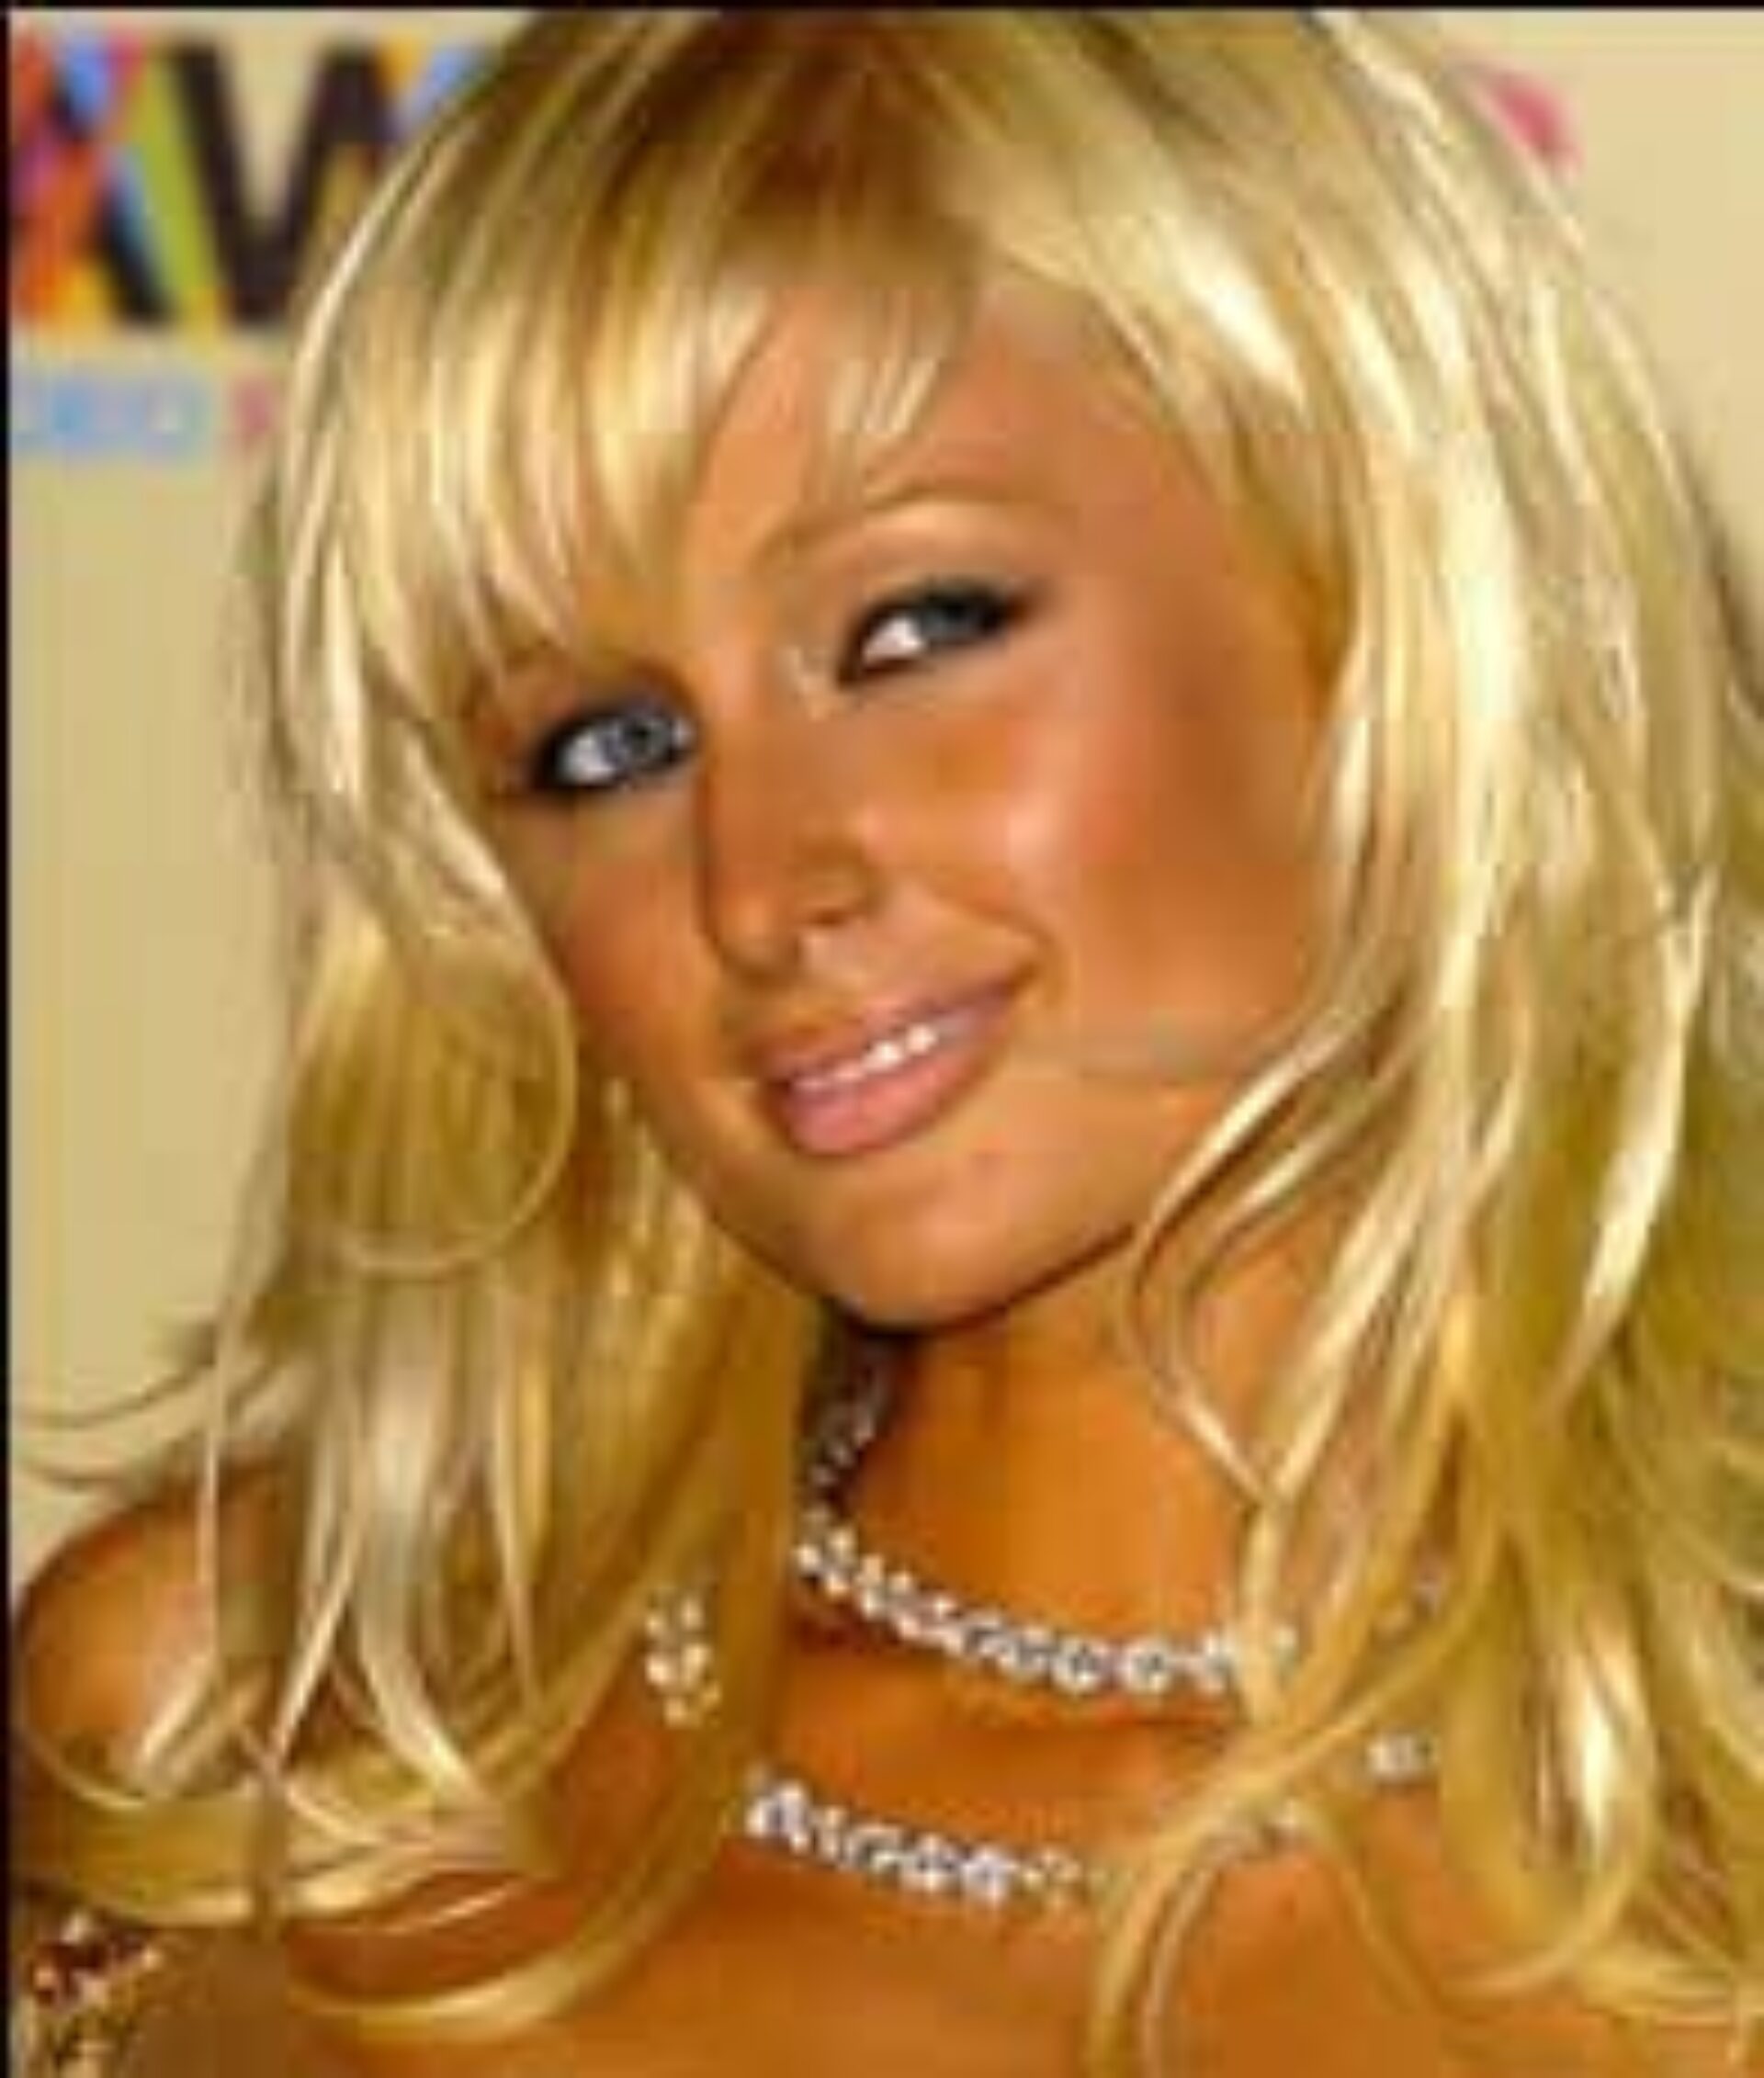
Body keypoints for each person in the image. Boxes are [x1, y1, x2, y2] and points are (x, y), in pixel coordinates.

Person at [12, 12, 1761, 2074]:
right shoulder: (243, 1736)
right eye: (610, 746)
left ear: (1375, 585)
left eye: (914, 631)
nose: (758, 885)